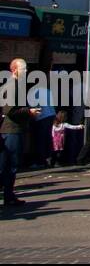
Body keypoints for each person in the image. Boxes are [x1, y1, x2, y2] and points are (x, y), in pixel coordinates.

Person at [1, 58, 39, 207]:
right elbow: (9, 110)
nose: (26, 71)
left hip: (14, 130)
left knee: (8, 165)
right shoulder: (12, 86)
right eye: (23, 68)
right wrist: (29, 111)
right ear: (14, 70)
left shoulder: (17, 85)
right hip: (12, 130)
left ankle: (9, 196)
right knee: (9, 165)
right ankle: (8, 196)